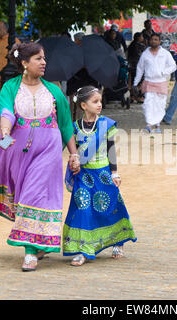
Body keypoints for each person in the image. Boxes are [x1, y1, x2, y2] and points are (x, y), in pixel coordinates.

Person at [0, 42, 81, 272]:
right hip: (18, 151)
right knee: (26, 197)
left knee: (32, 195)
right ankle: (42, 244)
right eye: (38, 58)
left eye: (44, 58)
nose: (44, 62)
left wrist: (74, 154)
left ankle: (29, 253)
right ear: (25, 63)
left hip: (49, 150)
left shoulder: (54, 90)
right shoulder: (10, 87)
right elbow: (6, 112)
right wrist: (5, 131)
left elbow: (66, 125)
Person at [63, 86, 137, 266]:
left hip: (103, 174)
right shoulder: (74, 127)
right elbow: (73, 151)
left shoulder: (105, 124)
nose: (99, 105)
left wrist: (115, 173)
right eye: (94, 101)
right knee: (83, 208)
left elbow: (111, 151)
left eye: (100, 101)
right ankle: (84, 249)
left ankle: (118, 241)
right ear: (83, 105)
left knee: (110, 207)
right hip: (84, 175)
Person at [133, 33, 177, 133]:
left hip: (161, 82)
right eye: (152, 39)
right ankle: (148, 125)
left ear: (159, 41)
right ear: (149, 41)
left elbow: (173, 66)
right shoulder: (145, 54)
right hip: (149, 82)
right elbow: (140, 69)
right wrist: (135, 84)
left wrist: (163, 72)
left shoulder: (165, 53)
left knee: (160, 105)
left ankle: (157, 125)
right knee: (148, 103)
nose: (154, 41)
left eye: (156, 39)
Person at [67, 32, 100, 120]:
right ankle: (77, 124)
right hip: (77, 81)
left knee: (81, 105)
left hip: (85, 81)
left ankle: (83, 124)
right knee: (77, 105)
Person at [127, 32, 147, 103]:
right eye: (141, 37)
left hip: (132, 66)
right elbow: (143, 56)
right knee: (140, 82)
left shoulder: (131, 45)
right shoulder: (140, 46)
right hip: (138, 66)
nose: (143, 38)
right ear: (138, 38)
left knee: (133, 81)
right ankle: (138, 96)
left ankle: (132, 96)